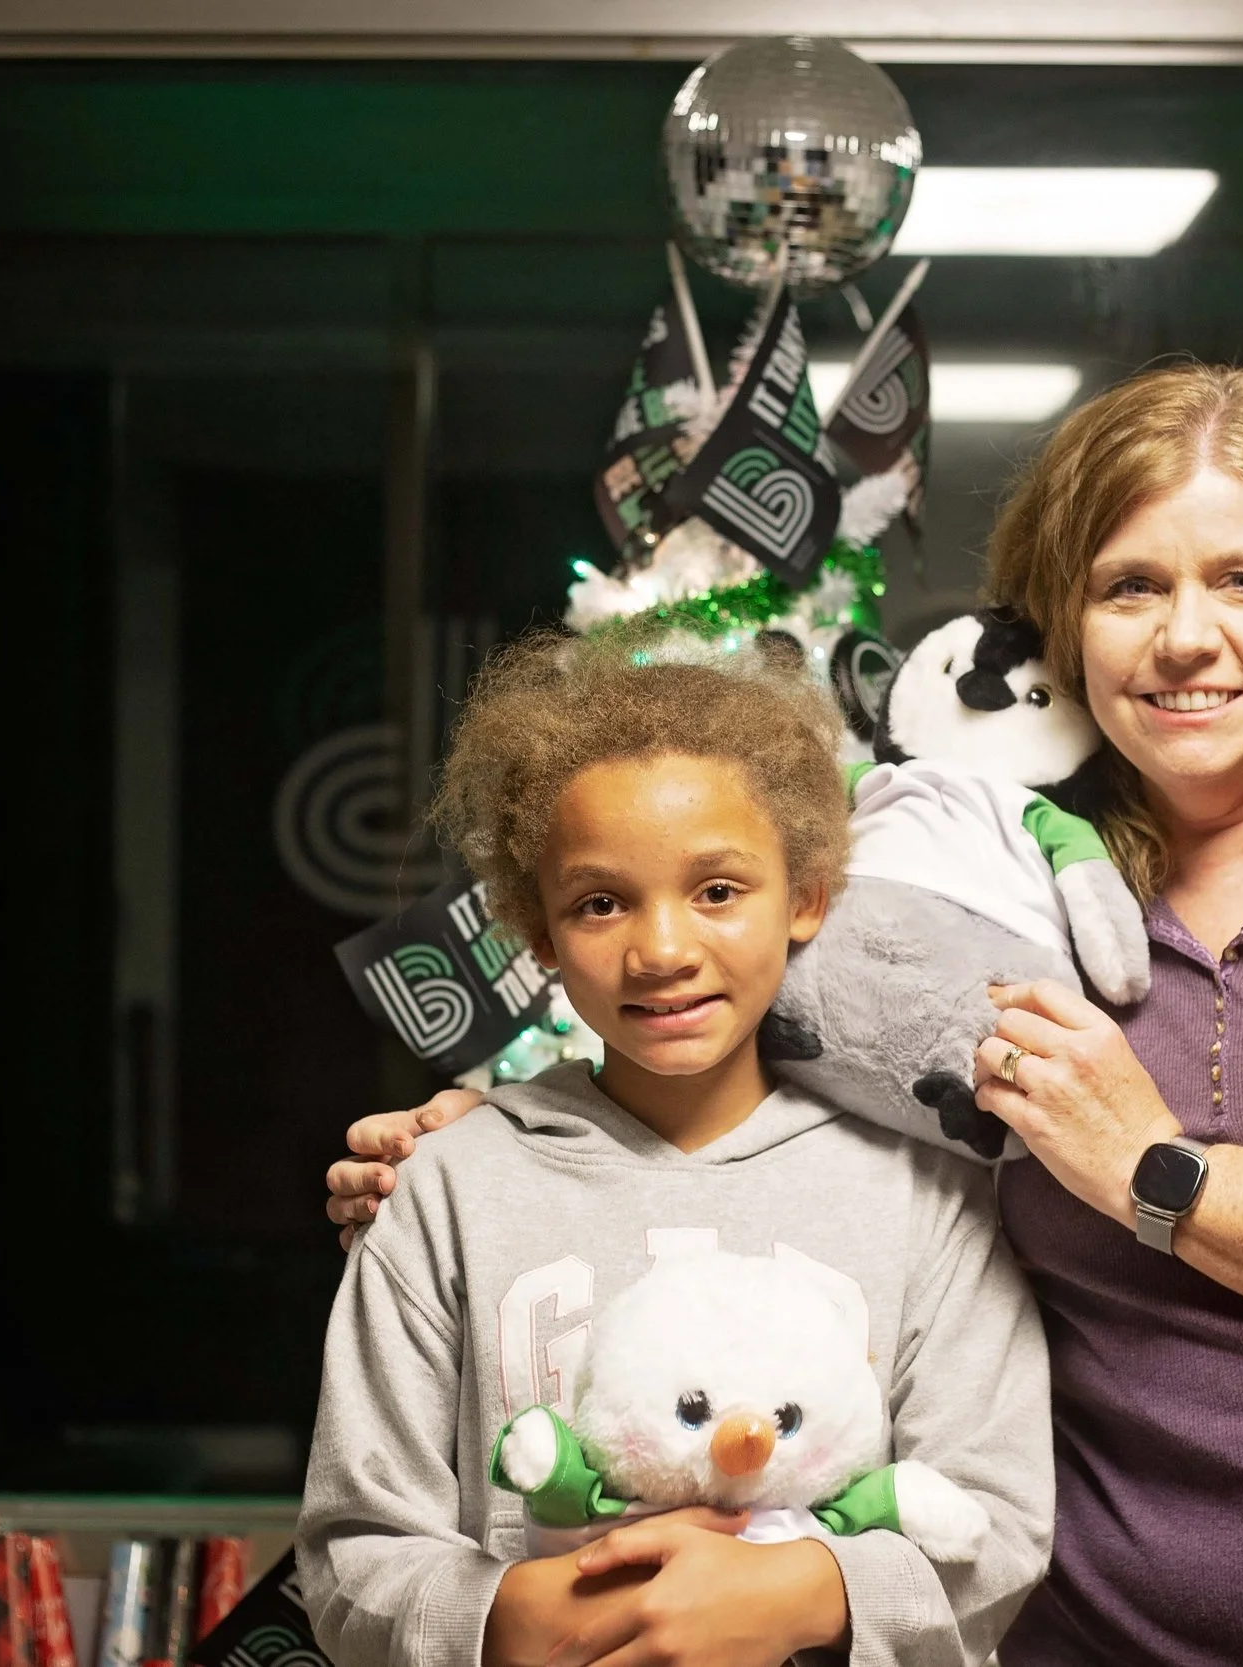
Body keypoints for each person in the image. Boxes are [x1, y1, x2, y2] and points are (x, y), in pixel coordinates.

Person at [330, 364, 1243, 1665]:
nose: (1187, 637)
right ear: (1059, 623)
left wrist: (1161, 1175)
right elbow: (739, 1014)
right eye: (1130, 586)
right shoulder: (964, 855)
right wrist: (511, 1141)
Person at [297, 637, 1052, 1667]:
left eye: (716, 890)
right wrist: (511, 1617)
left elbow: (997, 1524)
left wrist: (804, 1593)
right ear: (539, 932)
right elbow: (353, 1549)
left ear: (806, 896)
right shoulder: (446, 1191)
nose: (660, 949)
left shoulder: (926, 1194)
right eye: (600, 901)